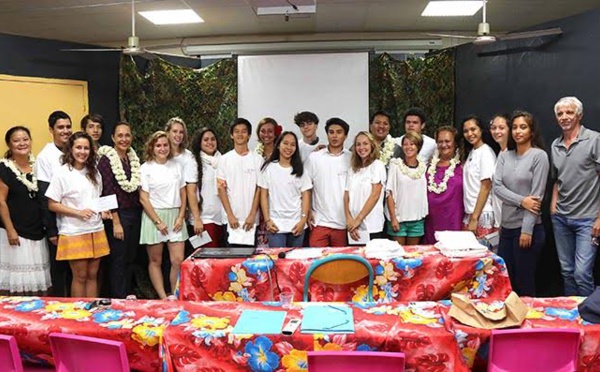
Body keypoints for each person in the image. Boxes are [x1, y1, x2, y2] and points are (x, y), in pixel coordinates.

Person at [46, 131, 109, 298]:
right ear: (71, 149)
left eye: (86, 148)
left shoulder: (94, 172)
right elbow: (52, 204)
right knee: (80, 276)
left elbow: (97, 198)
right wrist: (77, 213)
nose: (82, 152)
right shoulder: (62, 173)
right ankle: (78, 313)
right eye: (78, 147)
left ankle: (91, 312)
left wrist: (104, 210)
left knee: (92, 275)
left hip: (96, 229)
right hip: (74, 231)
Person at [494, 111, 548, 296]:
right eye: (515, 127)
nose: (518, 131)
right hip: (506, 229)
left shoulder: (539, 156)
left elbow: (536, 198)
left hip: (527, 230)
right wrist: (521, 200)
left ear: (532, 132)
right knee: (506, 283)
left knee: (525, 284)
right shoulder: (504, 156)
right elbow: (497, 188)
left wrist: (527, 230)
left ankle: (528, 323)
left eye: (523, 127)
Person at [550, 96, 600, 296]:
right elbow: (557, 180)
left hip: (587, 220)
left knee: (581, 273)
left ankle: (591, 317)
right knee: (567, 272)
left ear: (579, 115)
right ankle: (571, 315)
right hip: (561, 219)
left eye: (569, 112)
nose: (564, 117)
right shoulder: (555, 145)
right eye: (560, 114)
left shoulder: (595, 139)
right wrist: (553, 207)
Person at [0, 126, 51, 295]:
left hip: (37, 230)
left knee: (36, 283)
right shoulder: (4, 168)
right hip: (15, 233)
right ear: (9, 144)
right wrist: (10, 230)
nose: (22, 143)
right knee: (17, 284)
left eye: (25, 139)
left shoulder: (37, 165)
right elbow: (1, 201)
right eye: (16, 140)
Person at [139, 131, 188, 300]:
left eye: (165, 145)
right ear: (152, 147)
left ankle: (175, 295)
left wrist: (181, 216)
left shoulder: (177, 166)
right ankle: (162, 297)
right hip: (154, 217)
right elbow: (143, 198)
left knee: (177, 260)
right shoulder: (145, 168)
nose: (162, 148)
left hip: (175, 215)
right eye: (158, 145)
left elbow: (183, 193)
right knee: (155, 261)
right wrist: (158, 222)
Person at [97, 121, 142, 298]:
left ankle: (127, 293)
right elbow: (106, 191)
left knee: (130, 256)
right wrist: (116, 221)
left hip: (134, 213)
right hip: (119, 215)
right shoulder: (106, 160)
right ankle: (118, 297)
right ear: (113, 138)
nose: (124, 139)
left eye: (127, 135)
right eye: (120, 135)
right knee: (118, 259)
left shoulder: (132, 158)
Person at [35, 110, 73, 297]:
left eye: (68, 127)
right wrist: (51, 231)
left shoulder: (76, 151)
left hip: (76, 224)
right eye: (60, 127)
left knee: (76, 273)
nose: (65, 131)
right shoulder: (46, 156)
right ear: (51, 130)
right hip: (57, 225)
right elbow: (44, 196)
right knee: (59, 272)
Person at [259, 132, 312, 247]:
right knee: (278, 262)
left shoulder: (301, 170)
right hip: (276, 225)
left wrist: (303, 220)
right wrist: (267, 220)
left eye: (293, 145)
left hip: (297, 224)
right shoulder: (268, 168)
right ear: (278, 145)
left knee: (294, 262)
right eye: (285, 143)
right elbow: (263, 195)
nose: (289, 147)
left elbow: (306, 196)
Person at [306, 118, 351, 247]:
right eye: (331, 132)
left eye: (339, 132)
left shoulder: (352, 158)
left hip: (343, 223)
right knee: (316, 263)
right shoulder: (315, 157)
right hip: (319, 222)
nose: (335, 136)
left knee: (340, 265)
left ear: (345, 135)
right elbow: (306, 187)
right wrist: (308, 211)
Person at [217, 118, 262, 247]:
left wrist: (252, 214)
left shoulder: (257, 159)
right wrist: (230, 215)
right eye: (236, 131)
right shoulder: (224, 159)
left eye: (243, 131)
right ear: (232, 135)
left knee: (250, 262)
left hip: (251, 220)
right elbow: (221, 189)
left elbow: (259, 189)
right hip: (231, 220)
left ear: (249, 135)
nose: (240, 134)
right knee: (232, 262)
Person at [386, 131, 428, 245]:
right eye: (405, 144)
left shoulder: (424, 167)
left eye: (412, 144)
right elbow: (388, 192)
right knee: (399, 256)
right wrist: (393, 218)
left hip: (417, 220)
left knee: (413, 256)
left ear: (418, 147)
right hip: (398, 219)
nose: (408, 147)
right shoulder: (395, 165)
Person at [424, 126, 464, 244]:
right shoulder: (430, 165)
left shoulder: (462, 164)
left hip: (454, 218)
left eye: (447, 141)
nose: (443, 145)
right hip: (432, 220)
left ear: (455, 143)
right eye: (440, 141)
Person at [344, 131, 386, 241]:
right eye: (358, 144)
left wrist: (358, 220)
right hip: (353, 227)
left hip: (371, 225)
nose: (361, 147)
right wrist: (349, 220)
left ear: (372, 145)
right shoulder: (352, 169)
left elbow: (375, 195)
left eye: (365, 143)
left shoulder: (377, 165)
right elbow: (346, 195)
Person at [462, 115, 499, 238]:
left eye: (473, 129)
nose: (470, 134)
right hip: (470, 212)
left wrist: (474, 218)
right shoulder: (472, 152)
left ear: (481, 130)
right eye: (466, 131)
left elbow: (486, 186)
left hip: (481, 214)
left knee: (481, 256)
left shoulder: (486, 152)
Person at [188, 128, 224, 248]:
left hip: (221, 219)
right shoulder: (193, 162)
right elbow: (191, 192)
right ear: (199, 142)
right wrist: (197, 219)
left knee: (220, 261)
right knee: (206, 261)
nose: (210, 142)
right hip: (203, 220)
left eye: (213, 139)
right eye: (206, 140)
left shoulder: (223, 160)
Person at [165, 117, 196, 255]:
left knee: (179, 256)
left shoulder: (187, 157)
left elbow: (190, 187)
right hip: (160, 210)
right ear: (167, 132)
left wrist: (187, 212)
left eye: (181, 132)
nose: (178, 135)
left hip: (181, 211)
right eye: (175, 131)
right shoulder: (159, 153)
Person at [490, 113, 513, 229]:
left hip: (511, 220)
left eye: (501, 128)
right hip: (499, 218)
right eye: (493, 128)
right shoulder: (500, 153)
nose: (497, 131)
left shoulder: (514, 154)